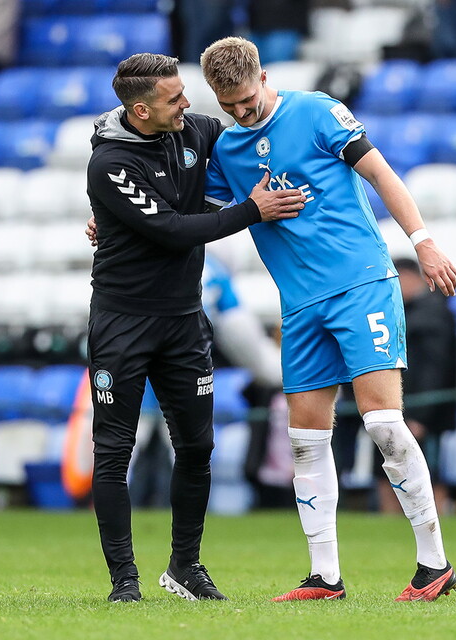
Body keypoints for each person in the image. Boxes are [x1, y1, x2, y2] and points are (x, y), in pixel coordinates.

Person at [199, 36, 456, 602]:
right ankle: (325, 577)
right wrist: (112, 220)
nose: (242, 114)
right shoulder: (229, 150)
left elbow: (381, 172)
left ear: (263, 76)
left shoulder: (316, 111)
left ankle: (433, 565)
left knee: (384, 424)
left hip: (361, 285)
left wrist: (423, 242)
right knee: (304, 440)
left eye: (247, 101)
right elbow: (191, 203)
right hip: (300, 306)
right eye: (229, 107)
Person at [85, 53, 305, 603]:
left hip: (184, 321)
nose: (188, 104)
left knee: (198, 446)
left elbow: (243, 140)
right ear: (140, 109)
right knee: (114, 451)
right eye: (174, 98)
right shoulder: (109, 163)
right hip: (123, 323)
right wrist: (253, 210)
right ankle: (124, 582)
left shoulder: (195, 130)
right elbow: (175, 230)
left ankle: (185, 565)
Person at [372, 257, 456, 515]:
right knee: (391, 465)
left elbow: (436, 368)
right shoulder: (413, 311)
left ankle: (433, 522)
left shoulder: (429, 315)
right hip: (404, 407)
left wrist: (422, 415)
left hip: (421, 411)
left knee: (426, 468)